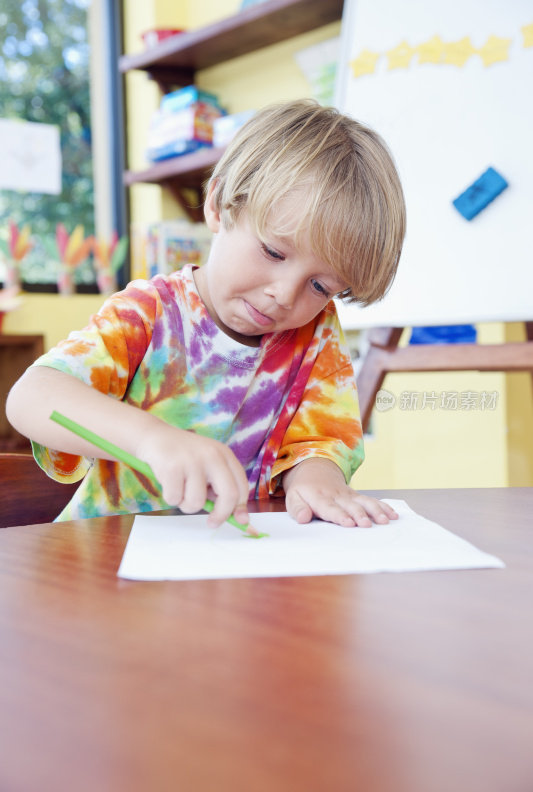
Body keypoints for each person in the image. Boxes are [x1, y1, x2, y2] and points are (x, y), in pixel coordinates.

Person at [6, 99, 406, 530]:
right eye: (273, 251)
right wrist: (152, 439)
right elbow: (31, 397)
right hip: (111, 560)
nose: (285, 295)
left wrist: (315, 478)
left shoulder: (316, 332)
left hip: (238, 568)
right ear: (218, 205)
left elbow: (321, 439)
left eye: (320, 286)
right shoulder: (150, 312)